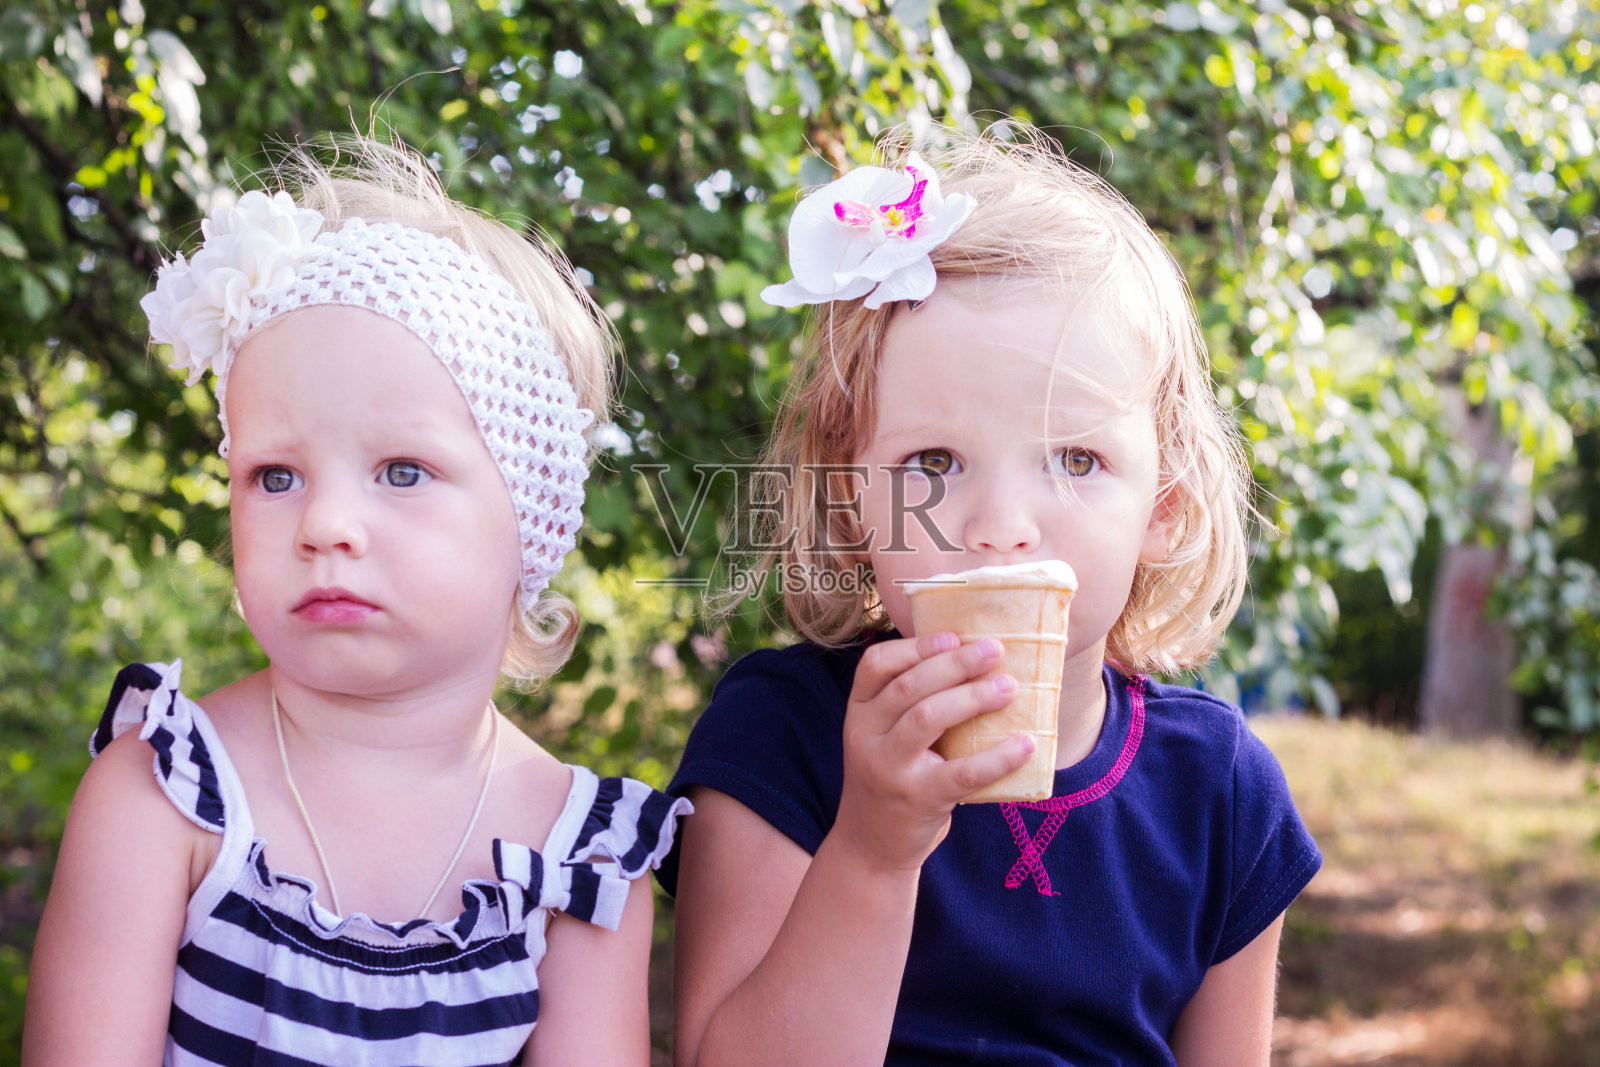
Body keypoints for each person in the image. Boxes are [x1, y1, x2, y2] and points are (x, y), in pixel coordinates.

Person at [661, 123, 1322, 1066]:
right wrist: (875, 851)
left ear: (1164, 507)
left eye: (1077, 458)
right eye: (934, 461)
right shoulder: (780, 737)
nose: (1002, 523)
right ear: (854, 501)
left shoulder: (1220, 793)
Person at [23, 138, 689, 1067]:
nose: (325, 522)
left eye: (403, 470)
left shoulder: (579, 859)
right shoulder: (164, 798)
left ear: (528, 519)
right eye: (275, 474)